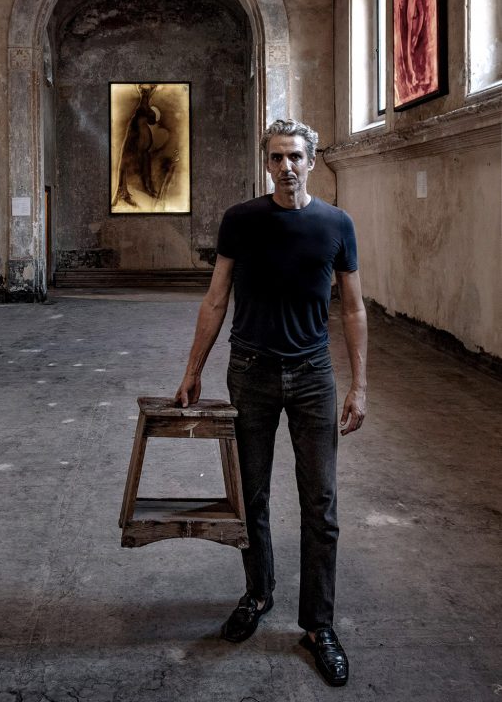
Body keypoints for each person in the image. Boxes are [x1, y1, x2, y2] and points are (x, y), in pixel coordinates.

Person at [174, 118, 367, 688]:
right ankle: (258, 594)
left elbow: (353, 309)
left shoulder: (336, 224)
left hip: (312, 376)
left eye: (296, 157)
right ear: (267, 163)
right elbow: (216, 299)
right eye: (277, 157)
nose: (287, 166)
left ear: (312, 160)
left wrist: (359, 385)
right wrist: (193, 370)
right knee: (251, 495)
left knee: (320, 503)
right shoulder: (241, 221)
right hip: (251, 371)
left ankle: (318, 625)